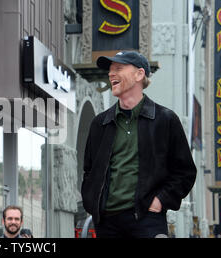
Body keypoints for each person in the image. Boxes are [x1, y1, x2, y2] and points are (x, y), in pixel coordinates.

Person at [81, 51, 197, 238]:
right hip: (107, 223)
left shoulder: (165, 119)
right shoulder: (99, 123)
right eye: (110, 70)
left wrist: (160, 200)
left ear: (139, 74)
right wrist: (93, 203)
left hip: (147, 219)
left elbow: (185, 172)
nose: (111, 74)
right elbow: (89, 171)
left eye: (118, 68)